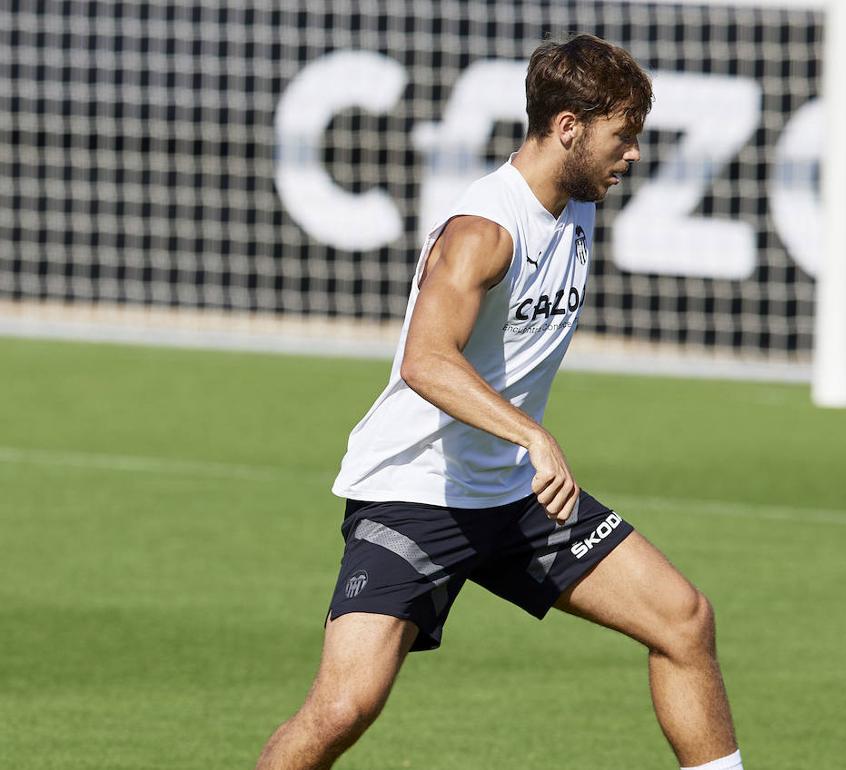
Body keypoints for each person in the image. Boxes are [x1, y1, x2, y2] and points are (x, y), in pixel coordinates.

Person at [256, 34, 743, 770]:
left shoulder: (576, 202)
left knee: (683, 620)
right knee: (343, 709)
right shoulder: (484, 229)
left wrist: (522, 448)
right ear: (568, 128)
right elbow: (426, 359)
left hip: (513, 498)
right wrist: (534, 436)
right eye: (624, 136)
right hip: (414, 494)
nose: (634, 155)